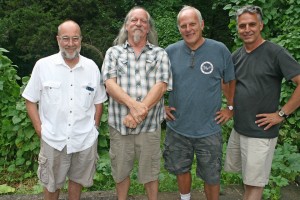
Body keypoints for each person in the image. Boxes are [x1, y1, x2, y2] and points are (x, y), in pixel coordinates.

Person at [22, 20, 107, 200]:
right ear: (58, 39)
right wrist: (40, 129)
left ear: (81, 40)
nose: (70, 44)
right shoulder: (43, 65)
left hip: (84, 139)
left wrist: (95, 127)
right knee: (52, 186)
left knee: (77, 182)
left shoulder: (91, 67)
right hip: (53, 139)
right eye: (66, 38)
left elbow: (99, 101)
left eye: (75, 39)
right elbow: (30, 100)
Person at [224, 5, 300, 200]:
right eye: (242, 26)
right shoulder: (237, 55)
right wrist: (230, 106)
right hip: (240, 129)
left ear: (260, 25)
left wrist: (282, 114)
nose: (247, 29)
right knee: (247, 179)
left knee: (254, 184)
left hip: (260, 132)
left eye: (251, 24)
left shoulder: (275, 53)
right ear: (238, 29)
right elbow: (227, 83)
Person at [163, 5, 236, 200]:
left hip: (209, 128)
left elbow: (229, 79)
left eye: (192, 24)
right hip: (178, 126)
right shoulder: (169, 52)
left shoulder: (219, 49)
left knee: (211, 175)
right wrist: (160, 106)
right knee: (180, 169)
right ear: (179, 29)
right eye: (183, 25)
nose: (188, 29)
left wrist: (230, 107)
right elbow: (157, 81)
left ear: (202, 24)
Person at [101, 6, 172, 200]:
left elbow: (161, 85)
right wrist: (135, 107)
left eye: (143, 21)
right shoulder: (113, 53)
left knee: (150, 172)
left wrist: (136, 115)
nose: (138, 24)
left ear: (148, 28)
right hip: (120, 126)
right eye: (134, 20)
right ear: (126, 26)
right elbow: (109, 84)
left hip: (149, 127)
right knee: (120, 171)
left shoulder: (160, 54)